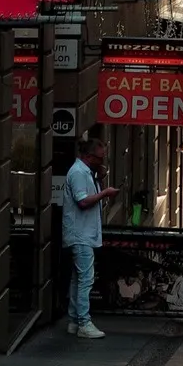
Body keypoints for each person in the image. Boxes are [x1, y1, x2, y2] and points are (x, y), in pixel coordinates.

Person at [60, 134, 117, 339]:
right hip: (80, 234)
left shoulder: (86, 172)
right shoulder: (78, 173)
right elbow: (83, 201)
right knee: (86, 279)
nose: (102, 161)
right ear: (89, 157)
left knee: (78, 279)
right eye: (100, 158)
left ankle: (75, 320)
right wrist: (105, 193)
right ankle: (84, 322)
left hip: (82, 233)